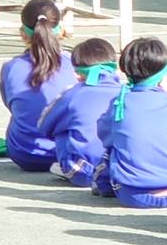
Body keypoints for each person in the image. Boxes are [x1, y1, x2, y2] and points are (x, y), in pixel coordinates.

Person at [94, 36, 167, 207]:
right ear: (163, 79)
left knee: (111, 151)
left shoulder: (120, 103)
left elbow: (104, 136)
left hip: (132, 194)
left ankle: (103, 186)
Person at [0, 0, 74, 172]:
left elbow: (11, 105)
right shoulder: (75, 64)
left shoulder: (10, 67)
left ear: (22, 33)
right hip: (68, 152)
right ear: (61, 29)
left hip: (24, 154)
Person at [39, 36, 122, 186]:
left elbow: (44, 126)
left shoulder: (72, 94)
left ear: (78, 73)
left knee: (63, 127)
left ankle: (68, 164)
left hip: (83, 172)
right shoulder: (126, 93)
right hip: (117, 170)